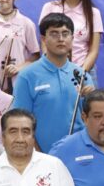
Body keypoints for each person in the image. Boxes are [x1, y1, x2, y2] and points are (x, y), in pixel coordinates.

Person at [13, 13, 90, 153]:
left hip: (78, 154)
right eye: (54, 34)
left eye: (65, 34)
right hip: (40, 156)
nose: (61, 39)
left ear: (72, 38)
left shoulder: (82, 75)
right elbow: (21, 122)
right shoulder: (27, 76)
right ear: (43, 39)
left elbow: (91, 120)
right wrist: (38, 155)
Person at [40, 0, 103, 81]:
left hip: (84, 71)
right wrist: (52, 67)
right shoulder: (49, 7)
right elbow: (44, 44)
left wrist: (81, 73)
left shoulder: (93, 13)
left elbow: (94, 50)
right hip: (53, 71)